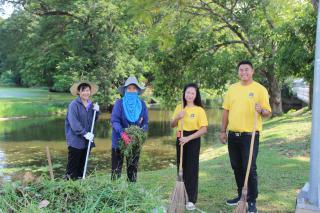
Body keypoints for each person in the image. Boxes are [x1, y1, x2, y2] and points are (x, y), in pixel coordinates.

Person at [219, 60, 271, 213]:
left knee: (250, 168)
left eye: (247, 70)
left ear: (252, 71)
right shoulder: (232, 89)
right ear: (238, 72)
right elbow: (226, 112)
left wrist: (261, 110)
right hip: (233, 135)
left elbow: (268, 113)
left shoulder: (260, 89)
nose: (244, 73)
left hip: (250, 135)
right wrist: (223, 131)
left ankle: (252, 200)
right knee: (237, 166)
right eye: (241, 70)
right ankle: (241, 196)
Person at [171, 83, 208, 211]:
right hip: (180, 138)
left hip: (192, 139)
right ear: (184, 93)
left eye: (192, 93)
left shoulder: (199, 110)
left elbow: (203, 129)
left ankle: (191, 199)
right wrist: (177, 117)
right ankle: (182, 195)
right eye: (188, 92)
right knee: (181, 167)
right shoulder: (179, 107)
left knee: (191, 169)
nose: (190, 95)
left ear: (196, 95)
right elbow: (172, 124)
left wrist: (188, 138)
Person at [110, 76, 148, 182]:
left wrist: (140, 133)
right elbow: (115, 121)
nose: (131, 90)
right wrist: (123, 135)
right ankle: (114, 194)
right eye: (129, 88)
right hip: (119, 142)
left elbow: (145, 123)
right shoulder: (119, 103)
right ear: (125, 90)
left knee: (132, 172)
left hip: (135, 143)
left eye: (134, 88)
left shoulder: (142, 105)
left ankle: (131, 193)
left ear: (137, 90)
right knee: (116, 172)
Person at [65, 81, 100, 180]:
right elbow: (74, 123)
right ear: (79, 92)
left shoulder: (91, 105)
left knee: (83, 165)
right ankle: (69, 186)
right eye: (83, 90)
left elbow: (94, 119)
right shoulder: (73, 105)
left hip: (87, 141)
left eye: (87, 90)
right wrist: (84, 133)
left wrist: (97, 112)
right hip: (75, 141)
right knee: (72, 167)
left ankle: (80, 186)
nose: (86, 93)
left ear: (90, 92)